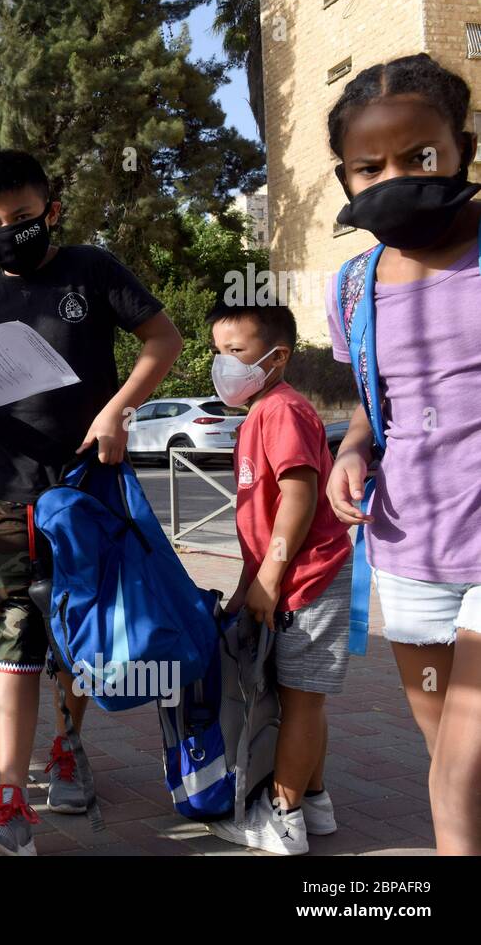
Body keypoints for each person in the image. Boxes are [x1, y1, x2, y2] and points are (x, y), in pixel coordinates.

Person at [0, 150, 183, 856]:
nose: (9, 232)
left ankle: (68, 746)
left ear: (52, 212)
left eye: (22, 219)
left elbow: (164, 338)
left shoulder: (94, 270)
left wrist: (117, 411)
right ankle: (9, 804)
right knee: (11, 644)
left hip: (85, 492)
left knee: (78, 637)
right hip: (2, 500)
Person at [323, 54, 481, 856]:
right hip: (409, 552)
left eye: (420, 156)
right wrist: (352, 448)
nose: (395, 176)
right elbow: (373, 403)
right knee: (451, 761)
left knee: (457, 771)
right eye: (368, 165)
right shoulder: (353, 285)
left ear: (462, 150)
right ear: (345, 178)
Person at [205, 301, 353, 855]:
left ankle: (284, 819)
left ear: (277, 356)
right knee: (301, 697)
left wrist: (270, 576)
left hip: (309, 579)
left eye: (237, 352)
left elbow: (299, 496)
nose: (225, 365)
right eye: (219, 353)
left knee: (303, 700)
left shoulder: (283, 410)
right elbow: (258, 518)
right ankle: (314, 800)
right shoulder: (260, 413)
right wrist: (249, 585)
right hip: (284, 577)